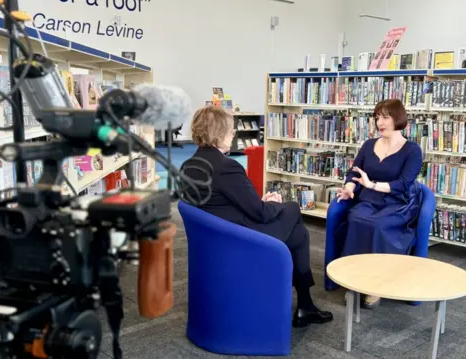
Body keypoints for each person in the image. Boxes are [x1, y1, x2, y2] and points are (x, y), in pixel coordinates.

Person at [181, 106, 333, 328]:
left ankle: (305, 304)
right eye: (231, 131)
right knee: (292, 209)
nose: (233, 135)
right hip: (241, 239)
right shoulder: (226, 167)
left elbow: (221, 204)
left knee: (298, 234)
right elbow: (260, 214)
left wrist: (261, 202)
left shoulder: (189, 165)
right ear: (218, 132)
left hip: (217, 238)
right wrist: (270, 203)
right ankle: (304, 304)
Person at [335, 99, 424, 308]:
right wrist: (349, 189)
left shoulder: (412, 150)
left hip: (397, 203)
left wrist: (372, 184)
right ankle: (354, 280)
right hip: (369, 200)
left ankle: (376, 284)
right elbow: (353, 172)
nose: (380, 122)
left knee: (378, 225)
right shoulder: (368, 145)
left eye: (385, 117)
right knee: (356, 218)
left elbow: (403, 184)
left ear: (397, 118)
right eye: (377, 118)